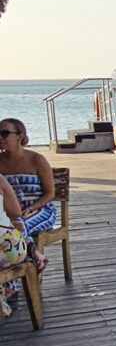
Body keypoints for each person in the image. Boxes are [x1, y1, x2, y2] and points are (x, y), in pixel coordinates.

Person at [0, 118, 55, 271]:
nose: (0, 138)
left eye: (4, 134)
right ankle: (32, 256)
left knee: (17, 225)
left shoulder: (37, 160)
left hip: (41, 209)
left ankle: (33, 257)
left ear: (20, 136)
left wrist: (31, 208)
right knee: (7, 226)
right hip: (12, 211)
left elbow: (50, 193)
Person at [0, 173, 29, 320]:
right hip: (10, 249)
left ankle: (7, 289)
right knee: (17, 232)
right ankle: (9, 289)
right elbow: (16, 212)